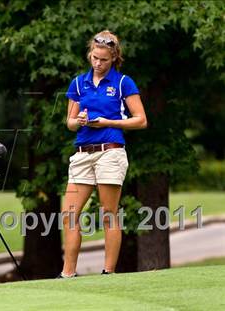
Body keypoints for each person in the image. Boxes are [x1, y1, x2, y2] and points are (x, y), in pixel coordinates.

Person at [60, 30, 147, 277]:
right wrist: (80, 120)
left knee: (109, 213)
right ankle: (68, 274)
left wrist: (108, 122)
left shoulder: (123, 83)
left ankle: (108, 273)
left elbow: (140, 120)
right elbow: (70, 123)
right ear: (90, 54)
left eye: (104, 60)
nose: (98, 63)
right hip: (82, 155)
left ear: (114, 58)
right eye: (95, 58)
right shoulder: (78, 82)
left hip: (110, 152)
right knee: (68, 214)